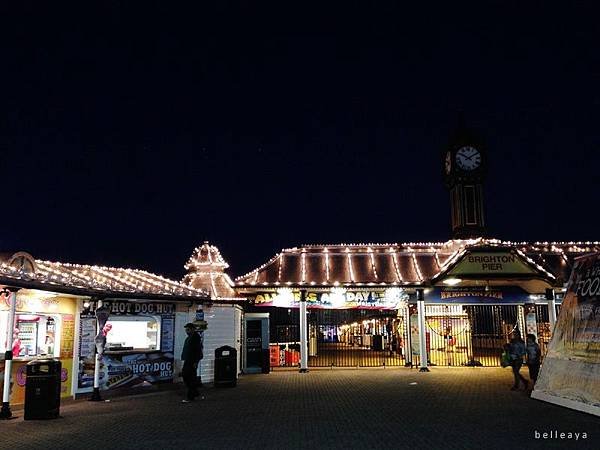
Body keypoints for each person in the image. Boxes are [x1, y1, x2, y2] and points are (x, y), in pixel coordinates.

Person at [181, 323, 203, 402]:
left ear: (192, 329)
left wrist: (196, 361)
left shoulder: (195, 338)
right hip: (188, 359)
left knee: (189, 377)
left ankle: (190, 397)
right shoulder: (190, 337)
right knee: (188, 377)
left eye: (188, 329)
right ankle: (196, 393)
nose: (186, 331)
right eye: (186, 329)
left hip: (191, 360)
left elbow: (197, 351)